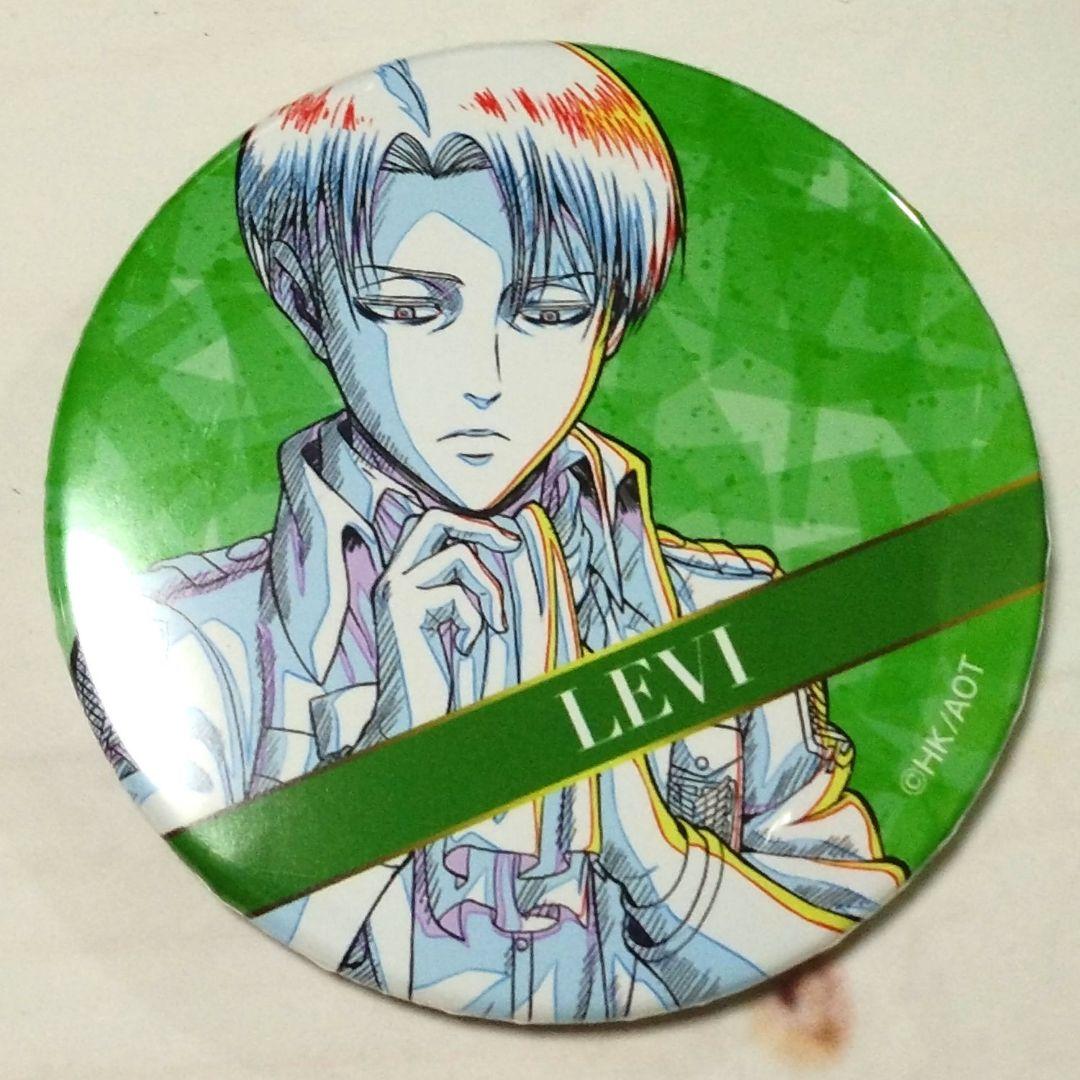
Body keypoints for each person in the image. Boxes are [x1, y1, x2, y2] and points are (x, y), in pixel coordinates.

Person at [71, 42, 905, 1022]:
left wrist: (654, 853)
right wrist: (390, 780)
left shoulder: (728, 613)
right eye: (410, 307)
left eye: (550, 309)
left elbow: (847, 954)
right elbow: (170, 975)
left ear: (613, 319)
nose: (486, 376)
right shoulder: (171, 640)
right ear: (304, 298)